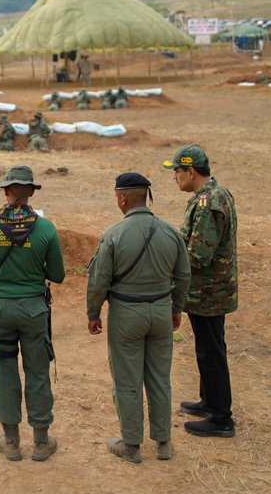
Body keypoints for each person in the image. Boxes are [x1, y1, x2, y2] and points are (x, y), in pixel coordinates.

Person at [0, 166, 64, 462]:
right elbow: (57, 275)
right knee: (38, 372)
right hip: (33, 311)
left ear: (6, 191)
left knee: (5, 372)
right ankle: (42, 443)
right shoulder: (46, 228)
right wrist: (33, 268)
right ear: (31, 192)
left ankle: (11, 441)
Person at [86, 172, 191, 464]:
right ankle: (164, 443)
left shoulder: (113, 234)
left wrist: (93, 314)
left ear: (122, 198)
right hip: (160, 312)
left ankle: (131, 446)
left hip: (126, 315)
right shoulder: (171, 232)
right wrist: (176, 308)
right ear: (145, 197)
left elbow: (98, 282)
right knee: (160, 379)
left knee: (127, 381)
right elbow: (183, 276)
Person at [164, 145, 238, 438]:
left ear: (190, 171)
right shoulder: (215, 194)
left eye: (177, 172)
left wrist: (168, 254)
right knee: (208, 349)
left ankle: (221, 418)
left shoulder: (208, 204)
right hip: (210, 291)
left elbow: (198, 256)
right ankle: (209, 402)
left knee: (211, 353)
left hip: (208, 293)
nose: (175, 177)